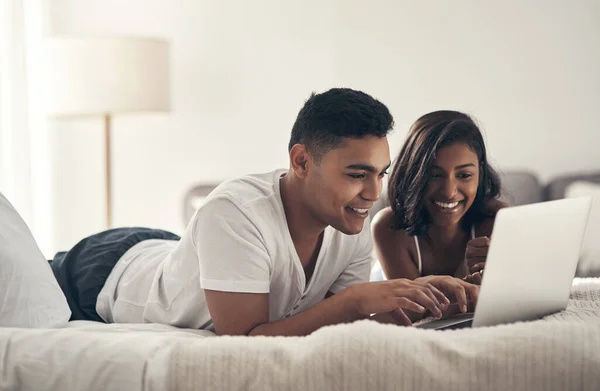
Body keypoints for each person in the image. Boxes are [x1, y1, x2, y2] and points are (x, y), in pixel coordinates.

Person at [51, 89, 479, 336]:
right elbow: (245, 340)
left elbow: (333, 324)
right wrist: (356, 300)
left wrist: (425, 296)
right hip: (104, 272)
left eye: (380, 173)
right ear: (301, 162)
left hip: (168, 252)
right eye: (356, 174)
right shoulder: (234, 213)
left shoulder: (352, 219)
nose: (373, 192)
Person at [372, 110, 508, 291]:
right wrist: (467, 272)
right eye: (435, 175)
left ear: (480, 172)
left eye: (464, 175)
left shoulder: (499, 221)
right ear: (413, 174)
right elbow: (414, 312)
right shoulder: (389, 227)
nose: (449, 192)